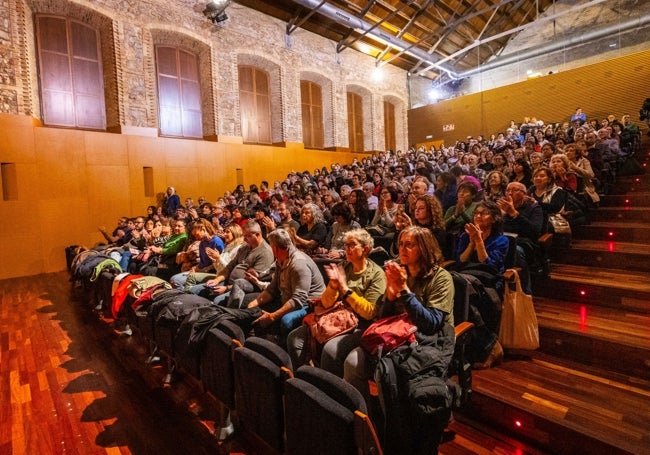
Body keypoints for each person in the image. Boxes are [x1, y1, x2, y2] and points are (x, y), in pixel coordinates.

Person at [344, 226, 454, 401]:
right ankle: (366, 417)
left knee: (386, 371)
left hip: (428, 341)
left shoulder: (441, 278)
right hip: (397, 335)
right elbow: (382, 317)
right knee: (352, 362)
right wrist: (389, 297)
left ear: (424, 248)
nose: (402, 248)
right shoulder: (399, 271)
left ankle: (393, 422)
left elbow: (432, 324)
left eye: (409, 244)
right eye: (401, 244)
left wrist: (404, 290)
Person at [287, 229, 386, 373]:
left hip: (361, 324)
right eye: (346, 245)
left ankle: (329, 390)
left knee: (331, 350)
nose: (347, 249)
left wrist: (345, 290)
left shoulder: (377, 274)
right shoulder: (343, 267)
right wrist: (333, 286)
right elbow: (326, 303)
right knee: (294, 338)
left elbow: (369, 312)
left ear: (365, 249)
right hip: (336, 316)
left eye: (352, 245)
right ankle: (305, 377)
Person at [455, 200, 509, 369]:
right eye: (476, 213)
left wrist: (479, 241)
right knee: (457, 286)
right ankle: (487, 344)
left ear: (494, 218)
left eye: (483, 213)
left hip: (489, 280)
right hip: (467, 276)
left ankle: (487, 345)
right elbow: (461, 260)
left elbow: (488, 264)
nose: (478, 216)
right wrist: (471, 242)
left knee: (460, 288)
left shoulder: (502, 240)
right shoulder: (466, 236)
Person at [247, 228, 326, 344]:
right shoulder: (281, 260)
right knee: (251, 306)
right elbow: (272, 289)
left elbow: (299, 299)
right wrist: (255, 303)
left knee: (286, 320)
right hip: (288, 298)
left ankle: (281, 346)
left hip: (309, 305)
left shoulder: (298, 264)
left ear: (275, 248)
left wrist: (273, 316)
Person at [197, 220, 275, 304]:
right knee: (197, 290)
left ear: (257, 235)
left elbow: (252, 282)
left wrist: (227, 288)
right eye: (243, 236)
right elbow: (229, 267)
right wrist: (216, 280)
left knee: (217, 300)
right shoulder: (245, 247)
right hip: (227, 282)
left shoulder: (265, 253)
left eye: (247, 236)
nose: (244, 239)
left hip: (241, 288)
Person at [169, 220, 225, 290]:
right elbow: (202, 262)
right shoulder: (202, 243)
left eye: (196, 234)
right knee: (174, 278)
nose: (196, 237)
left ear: (203, 229)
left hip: (212, 272)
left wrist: (203, 270)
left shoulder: (216, 241)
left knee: (177, 280)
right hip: (201, 270)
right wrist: (195, 268)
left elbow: (219, 263)